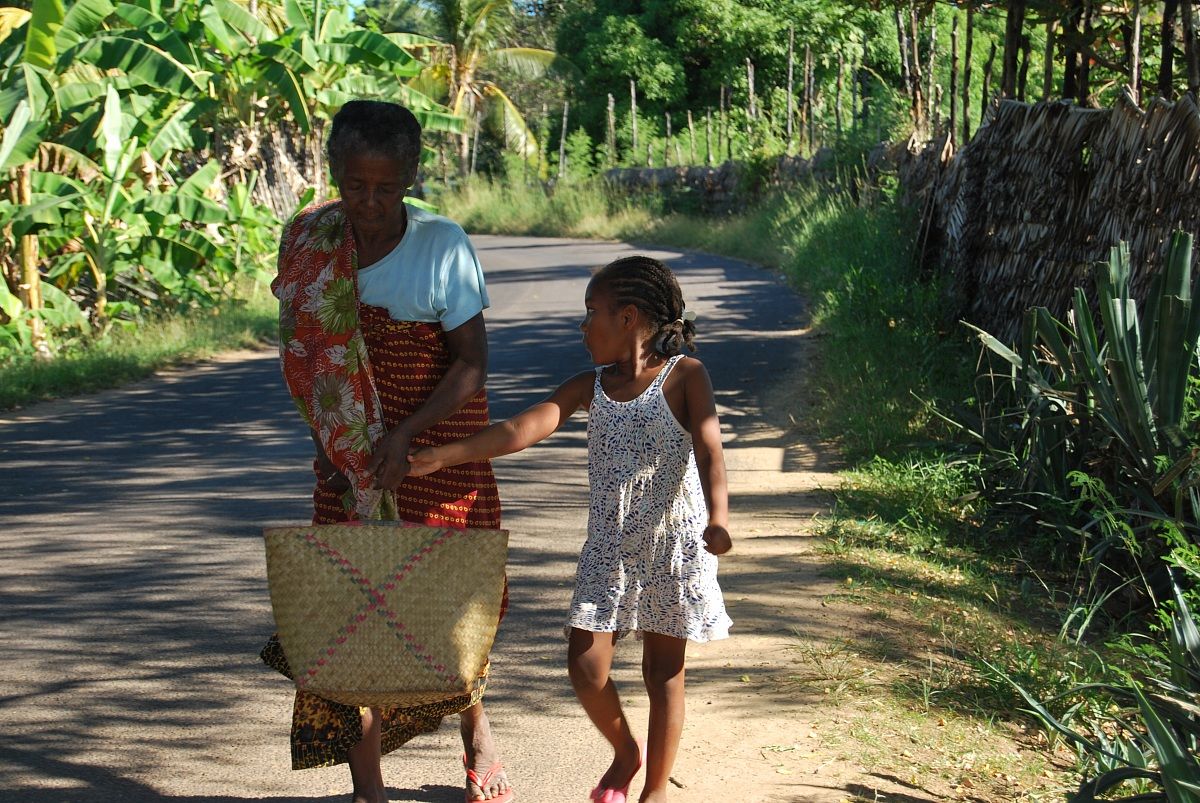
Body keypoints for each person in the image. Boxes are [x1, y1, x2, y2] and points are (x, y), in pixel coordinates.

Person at [408, 255, 733, 803]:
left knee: (663, 675)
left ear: (629, 318)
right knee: (585, 667)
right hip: (610, 549)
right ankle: (626, 752)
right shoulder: (591, 386)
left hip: (671, 546)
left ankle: (654, 792)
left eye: (591, 314)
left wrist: (719, 520)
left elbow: (709, 450)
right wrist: (446, 455)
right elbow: (519, 428)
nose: (582, 327)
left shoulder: (685, 377)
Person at [261, 99, 512, 803]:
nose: (368, 203)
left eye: (385, 187)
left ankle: (475, 731)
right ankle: (369, 788)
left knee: (444, 613)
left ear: (409, 176)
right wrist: (335, 447)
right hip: (347, 460)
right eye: (354, 185)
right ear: (334, 171)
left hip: (437, 450)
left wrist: (404, 437)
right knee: (350, 620)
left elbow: (470, 364)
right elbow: (308, 360)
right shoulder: (310, 240)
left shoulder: (443, 246)